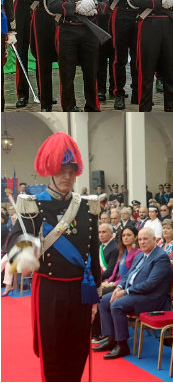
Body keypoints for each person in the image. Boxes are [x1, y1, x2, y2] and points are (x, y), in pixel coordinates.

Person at [5, 133, 102, 379]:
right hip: (49, 290)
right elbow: (15, 241)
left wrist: (95, 296)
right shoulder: (32, 204)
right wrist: (24, 253)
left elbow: (91, 252)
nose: (67, 176)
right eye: (61, 169)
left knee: (79, 350)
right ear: (50, 169)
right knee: (53, 352)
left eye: (72, 170)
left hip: (81, 290)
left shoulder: (86, 206)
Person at [94, 227, 173, 359]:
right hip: (135, 293)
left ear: (154, 240)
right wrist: (119, 287)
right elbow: (128, 275)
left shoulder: (161, 258)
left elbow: (150, 284)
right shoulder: (141, 254)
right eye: (140, 239)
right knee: (103, 301)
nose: (142, 242)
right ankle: (111, 338)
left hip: (151, 298)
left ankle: (122, 345)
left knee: (116, 305)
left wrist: (126, 291)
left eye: (145, 239)